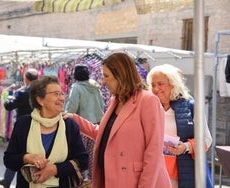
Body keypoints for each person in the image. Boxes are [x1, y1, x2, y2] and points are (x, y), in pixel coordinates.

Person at [63, 52, 171, 188]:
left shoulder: (148, 101)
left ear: (121, 75)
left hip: (135, 181)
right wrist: (75, 118)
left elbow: (153, 151)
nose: (103, 81)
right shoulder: (116, 100)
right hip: (111, 178)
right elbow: (106, 135)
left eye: (107, 76)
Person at [3, 76, 88, 188]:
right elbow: (9, 159)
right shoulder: (23, 124)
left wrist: (55, 169)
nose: (62, 98)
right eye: (56, 94)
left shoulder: (69, 126)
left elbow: (83, 161)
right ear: (40, 100)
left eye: (62, 94)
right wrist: (27, 158)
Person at [146, 64, 213, 188]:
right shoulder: (148, 108)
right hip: (155, 174)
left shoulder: (191, 106)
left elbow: (206, 140)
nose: (156, 89)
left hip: (182, 174)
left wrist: (186, 147)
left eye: (160, 84)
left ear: (173, 84)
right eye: (153, 85)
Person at [0, 68, 39, 188]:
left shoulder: (22, 92)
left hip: (23, 128)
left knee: (16, 155)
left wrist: (11, 95)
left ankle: (8, 181)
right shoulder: (40, 92)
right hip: (40, 126)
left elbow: (8, 106)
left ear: (26, 79)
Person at [64, 64, 104, 181]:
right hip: (97, 125)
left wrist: (66, 114)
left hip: (82, 126)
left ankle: (79, 181)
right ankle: (92, 181)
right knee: (93, 156)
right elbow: (101, 105)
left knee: (79, 156)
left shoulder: (76, 88)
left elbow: (72, 107)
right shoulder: (96, 86)